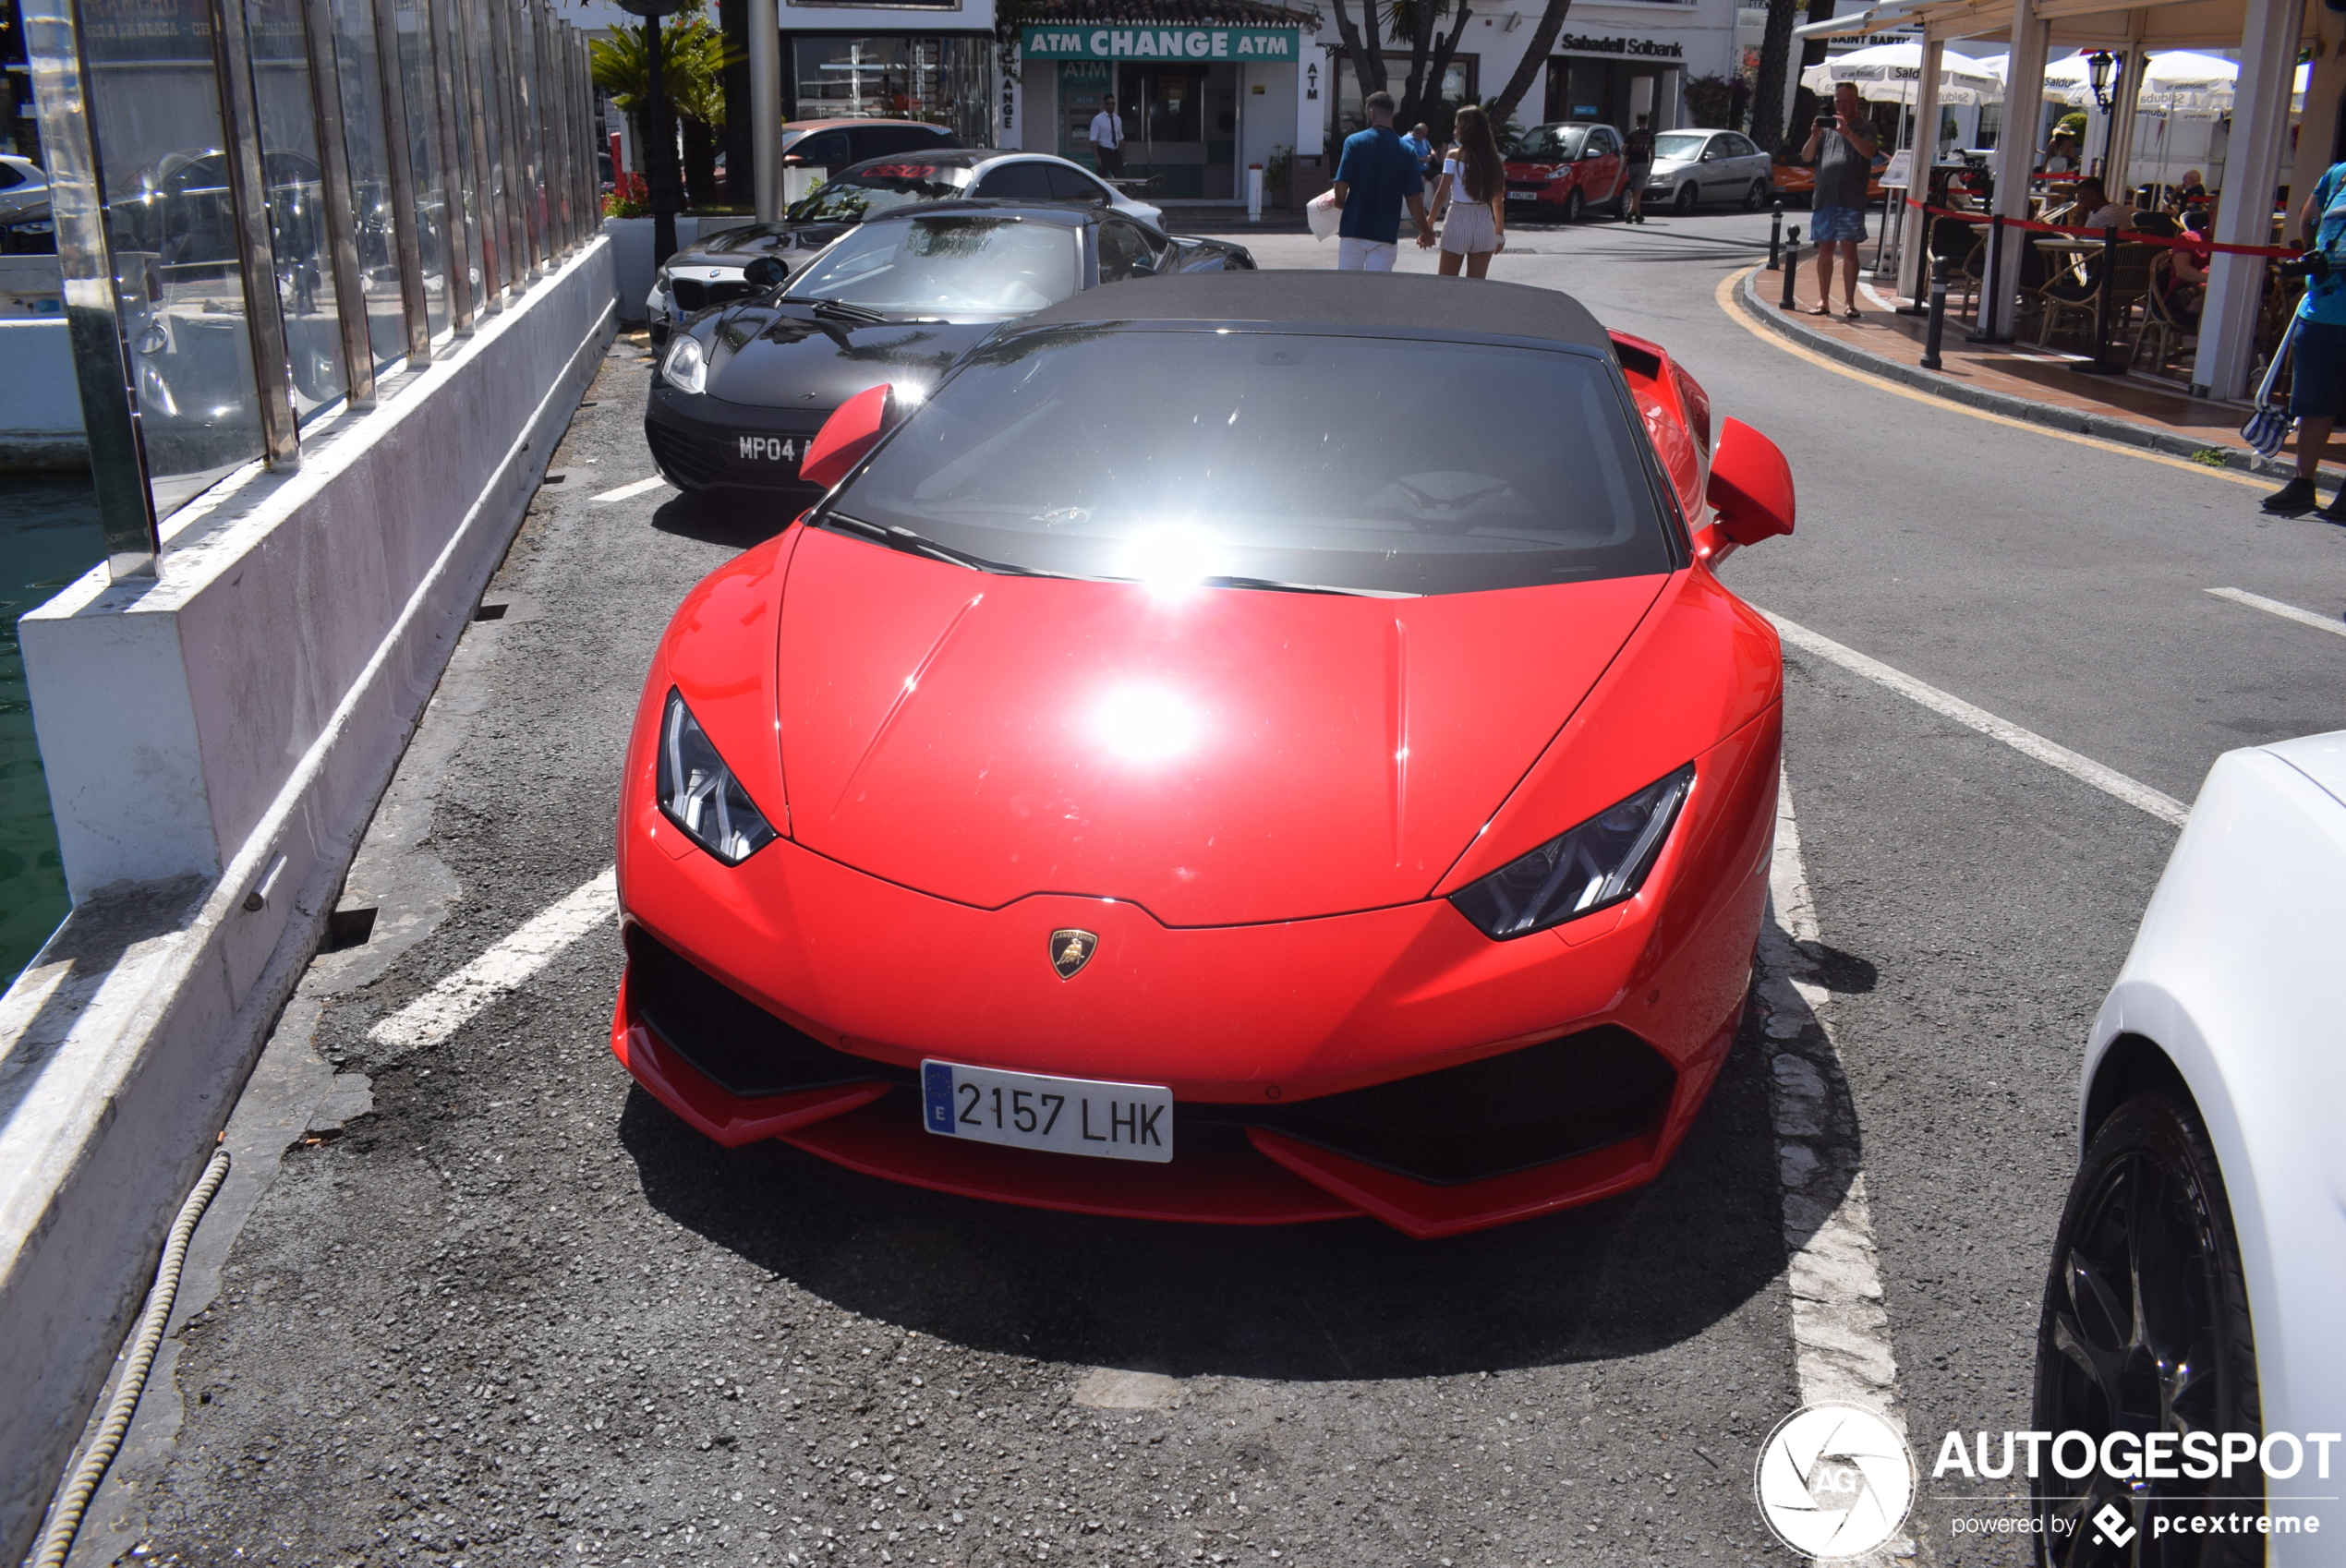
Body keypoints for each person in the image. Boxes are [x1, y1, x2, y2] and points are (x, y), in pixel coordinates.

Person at [2264, 162, 2346, 516]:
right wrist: (2317, 252)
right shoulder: (2339, 174)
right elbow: (2308, 214)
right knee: (2312, 405)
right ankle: (2302, 483)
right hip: (2321, 313)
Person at [1331, 90, 1435, 271]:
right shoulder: (1406, 151)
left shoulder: (1354, 142)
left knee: (1347, 292)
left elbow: (1341, 183)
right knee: (1377, 293)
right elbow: (1413, 199)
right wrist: (1425, 231)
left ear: (1372, 113)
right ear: (1391, 114)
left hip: (1353, 230)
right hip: (1385, 234)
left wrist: (1341, 203)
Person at [1801, 81, 1880, 320]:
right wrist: (1814, 136)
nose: (1842, 105)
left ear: (1857, 101)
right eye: (1838, 100)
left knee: (1849, 249)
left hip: (1850, 198)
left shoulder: (1866, 126)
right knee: (1825, 248)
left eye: (1846, 100)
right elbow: (1807, 156)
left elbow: (1869, 152)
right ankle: (1823, 300)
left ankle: (1849, 302)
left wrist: (1848, 133)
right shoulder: (1826, 129)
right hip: (1825, 196)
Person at [1430, 103, 1506, 277]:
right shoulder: (1494, 160)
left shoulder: (1454, 156)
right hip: (1484, 221)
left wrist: (1429, 222)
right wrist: (1499, 233)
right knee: (1476, 288)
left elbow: (1442, 193)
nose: (1454, 130)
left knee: (1447, 283)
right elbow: (1497, 202)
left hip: (1458, 217)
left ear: (1466, 129)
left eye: (1456, 125)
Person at [1622, 113, 1656, 224]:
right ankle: (1630, 213)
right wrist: (1650, 166)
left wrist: (1631, 153)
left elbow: (1623, 150)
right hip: (1643, 164)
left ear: (1637, 122)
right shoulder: (1650, 136)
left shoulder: (1630, 135)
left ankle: (1638, 215)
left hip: (1631, 164)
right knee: (1638, 192)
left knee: (1635, 191)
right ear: (1646, 123)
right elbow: (1653, 152)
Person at [1089, 95, 1127, 179]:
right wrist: (1096, 156)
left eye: (1113, 104)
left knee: (1121, 178)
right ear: (1104, 105)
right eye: (1108, 104)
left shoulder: (1117, 119)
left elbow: (1120, 137)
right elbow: (1093, 139)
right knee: (1102, 179)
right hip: (1103, 152)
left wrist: (1124, 154)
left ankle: (1122, 192)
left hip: (1115, 152)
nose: (1111, 106)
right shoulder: (1097, 119)